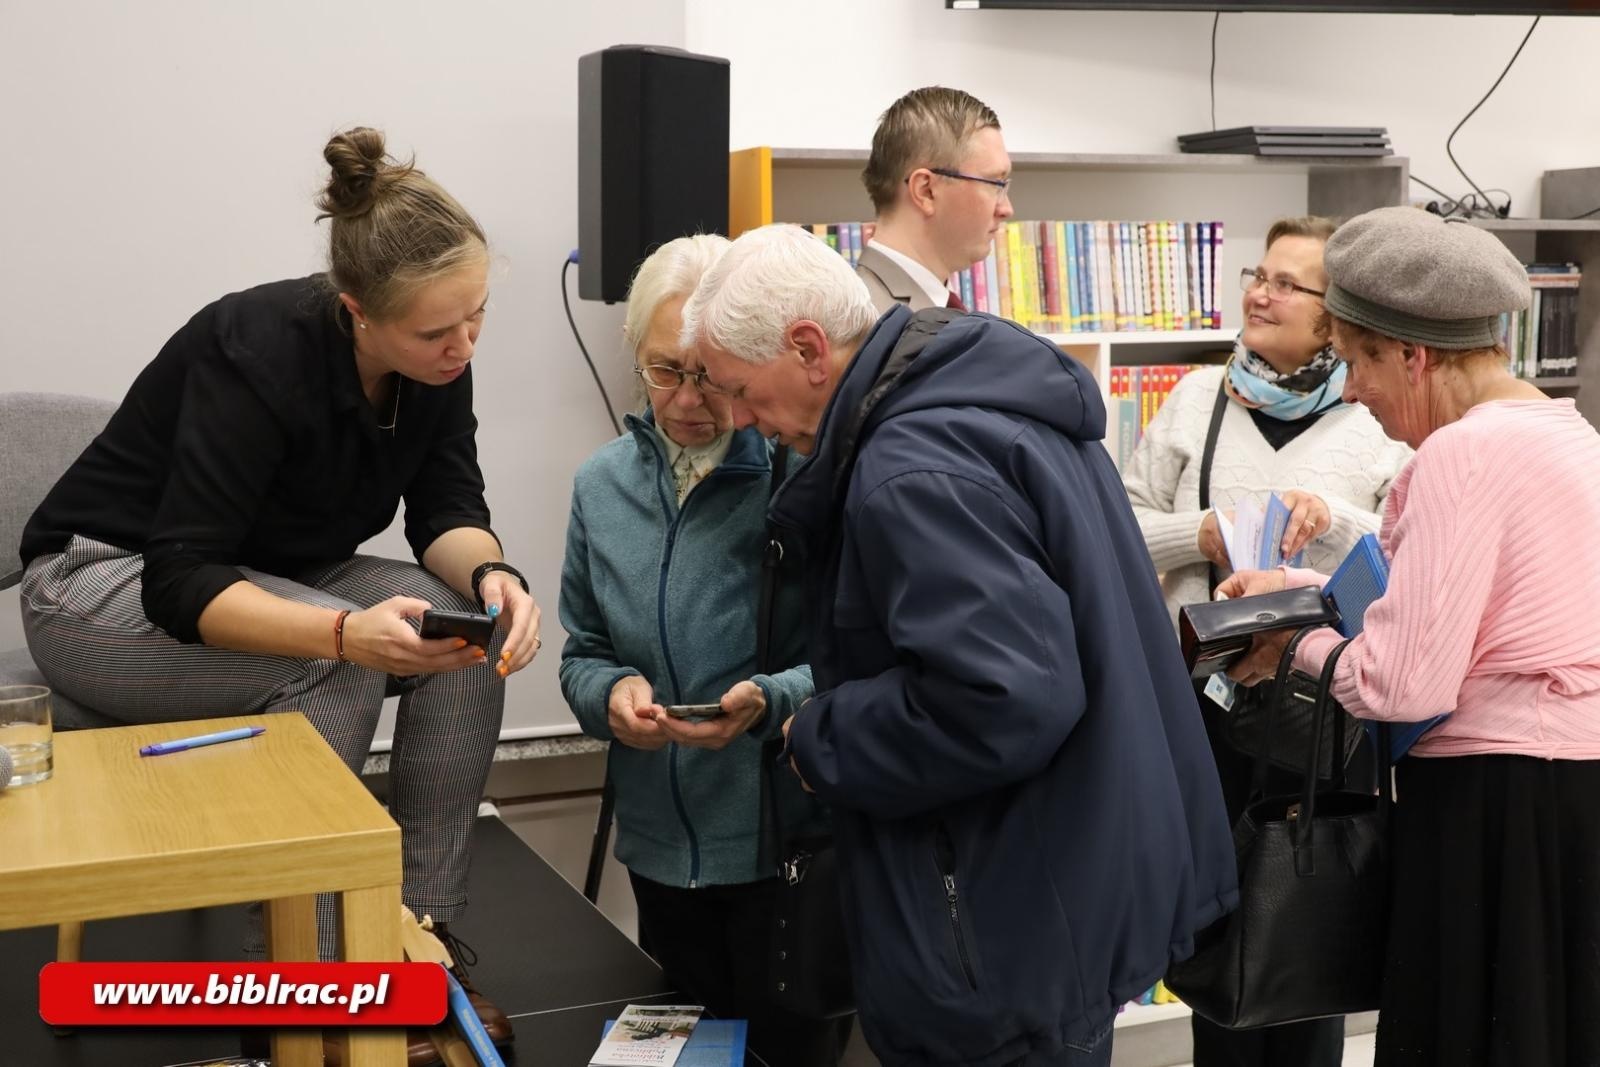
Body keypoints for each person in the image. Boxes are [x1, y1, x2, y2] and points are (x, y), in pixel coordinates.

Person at [19, 128, 534, 1051]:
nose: (463, 343)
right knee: (331, 661)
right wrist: (340, 637)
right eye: (436, 331)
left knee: (463, 639)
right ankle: (306, 982)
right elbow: (180, 579)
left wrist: (495, 580)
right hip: (100, 584)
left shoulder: (435, 352)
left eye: (478, 316)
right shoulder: (251, 348)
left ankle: (412, 939)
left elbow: (447, 509)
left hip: (271, 577)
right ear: (357, 313)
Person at [680, 223, 1237, 1067]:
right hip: (1064, 881)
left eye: (741, 390)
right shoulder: (979, 397)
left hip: (1002, 920)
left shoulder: (912, 465)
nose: (742, 420)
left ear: (807, 348)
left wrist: (824, 734)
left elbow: (1003, 697)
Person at [1220, 205, 1600, 1067]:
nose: (1352, 388)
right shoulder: (1570, 434)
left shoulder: (1459, 457)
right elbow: (1458, 608)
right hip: (1568, 800)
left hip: (1490, 809)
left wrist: (1292, 645)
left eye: (1357, 361)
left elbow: (1402, 684)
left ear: (1413, 355)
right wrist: (1307, 588)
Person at [1121, 216, 1409, 1066]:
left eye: (1288, 283)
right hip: (1202, 713)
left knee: (1300, 939)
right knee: (1215, 937)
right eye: (1259, 272)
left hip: (1320, 715)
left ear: (1334, 314)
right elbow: (1121, 532)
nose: (1260, 291)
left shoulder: (1375, 417)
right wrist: (1200, 535)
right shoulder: (1193, 400)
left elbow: (1406, 547)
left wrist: (1333, 521)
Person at [558, 235, 845, 1067]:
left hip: (784, 854)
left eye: (707, 374)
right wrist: (609, 694)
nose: (686, 400)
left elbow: (852, 660)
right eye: (662, 371)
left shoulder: (800, 476)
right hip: (658, 854)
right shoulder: (601, 485)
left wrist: (772, 695)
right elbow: (582, 651)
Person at [856, 86, 1014, 314]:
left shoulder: (937, 306)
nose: (1006, 209)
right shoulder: (861, 322)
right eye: (995, 184)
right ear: (926, 191)